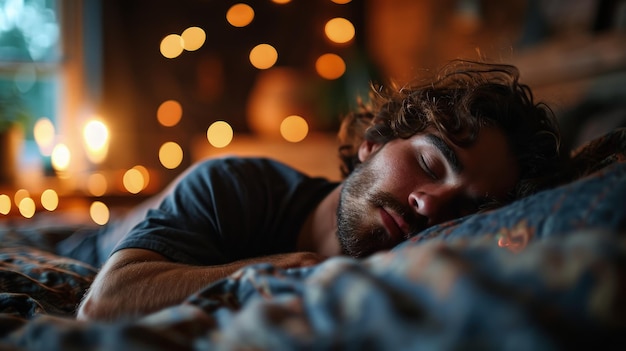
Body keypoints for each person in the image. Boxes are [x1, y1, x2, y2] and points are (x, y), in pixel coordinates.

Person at [77, 60, 563, 321]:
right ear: (372, 144)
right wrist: (285, 271)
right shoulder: (234, 186)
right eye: (430, 162)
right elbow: (104, 303)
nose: (431, 203)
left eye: (466, 206)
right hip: (97, 240)